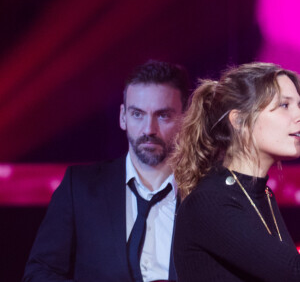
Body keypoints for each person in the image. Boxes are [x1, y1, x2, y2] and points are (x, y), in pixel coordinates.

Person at [22, 60, 190, 282]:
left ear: (186, 118)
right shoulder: (79, 188)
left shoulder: (205, 195)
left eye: (163, 115)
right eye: (137, 114)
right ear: (123, 117)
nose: (149, 129)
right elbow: (39, 274)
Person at [172, 62, 300, 281]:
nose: (299, 114)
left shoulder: (262, 194)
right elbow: (293, 272)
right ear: (239, 120)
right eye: (284, 105)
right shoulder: (208, 202)